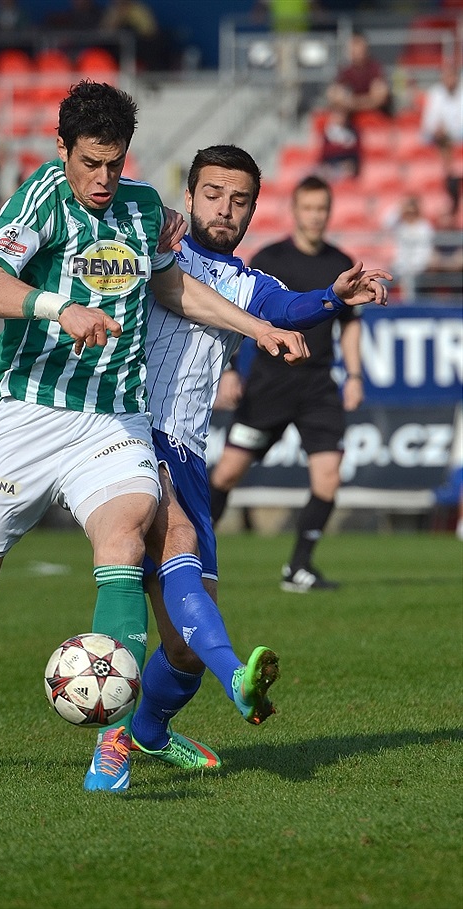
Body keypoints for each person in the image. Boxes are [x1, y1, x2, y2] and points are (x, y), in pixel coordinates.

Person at [0, 80, 316, 795]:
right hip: (29, 419)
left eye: (115, 164)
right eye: (90, 162)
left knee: (123, 540)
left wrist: (261, 326)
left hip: (112, 421)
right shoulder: (42, 199)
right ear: (62, 150)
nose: (102, 179)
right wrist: (60, 309)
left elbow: (170, 288)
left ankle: (115, 739)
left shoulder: (145, 209)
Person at [130, 153, 390, 757]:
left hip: (189, 454)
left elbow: (287, 307)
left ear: (252, 208)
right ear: (190, 196)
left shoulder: (245, 281)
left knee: (185, 647)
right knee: (158, 585)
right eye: (213, 193)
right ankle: (218, 692)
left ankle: (148, 732)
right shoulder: (155, 246)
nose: (225, 208)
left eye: (240, 199)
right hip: (134, 435)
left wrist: (332, 296)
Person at [209, 175, 367, 592]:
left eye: (322, 209)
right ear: (295, 211)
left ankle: (298, 568)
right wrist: (227, 370)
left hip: (317, 388)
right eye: (308, 208)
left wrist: (354, 375)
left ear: (328, 213)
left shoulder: (341, 262)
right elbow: (238, 319)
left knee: (328, 478)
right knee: (226, 475)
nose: (315, 217)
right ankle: (189, 555)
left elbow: (349, 326)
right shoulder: (268, 259)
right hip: (268, 387)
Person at [420, 63, 463, 214]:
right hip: (437, 139)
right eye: (446, 76)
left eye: (452, 76)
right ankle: (448, 173)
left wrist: (449, 131)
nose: (449, 80)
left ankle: (450, 174)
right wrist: (439, 130)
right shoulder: (435, 93)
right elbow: (428, 124)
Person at [327, 32, 392, 118]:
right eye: (352, 48)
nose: (355, 51)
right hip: (350, 117)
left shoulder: (375, 69)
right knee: (336, 116)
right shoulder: (345, 71)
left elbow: (380, 97)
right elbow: (334, 95)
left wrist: (352, 103)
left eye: (357, 47)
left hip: (377, 115)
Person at [383, 194, 435, 302]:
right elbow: (386, 222)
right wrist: (401, 207)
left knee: (410, 285)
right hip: (399, 266)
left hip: (416, 269)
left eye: (412, 212)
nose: (409, 215)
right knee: (383, 281)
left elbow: (425, 251)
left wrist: (414, 268)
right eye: (407, 212)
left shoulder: (424, 227)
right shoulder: (401, 225)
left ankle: (409, 309)